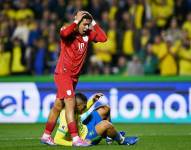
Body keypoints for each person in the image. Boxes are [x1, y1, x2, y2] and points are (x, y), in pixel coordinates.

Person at [41, 10, 107, 146]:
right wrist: (76, 21)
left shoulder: (88, 34)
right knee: (70, 104)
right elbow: (63, 33)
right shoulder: (69, 32)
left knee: (58, 105)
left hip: (74, 77)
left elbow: (103, 38)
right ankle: (76, 139)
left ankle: (46, 135)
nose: (86, 27)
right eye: (84, 24)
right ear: (77, 22)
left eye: (88, 24)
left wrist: (93, 22)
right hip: (63, 73)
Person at [54, 92, 138, 146]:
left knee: (105, 108)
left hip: (85, 127)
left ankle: (110, 137)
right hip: (85, 138)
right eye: (83, 107)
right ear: (77, 106)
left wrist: (93, 100)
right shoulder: (66, 118)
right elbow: (57, 139)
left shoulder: (73, 108)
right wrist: (74, 143)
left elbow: (83, 109)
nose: (84, 109)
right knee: (105, 124)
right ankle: (122, 140)